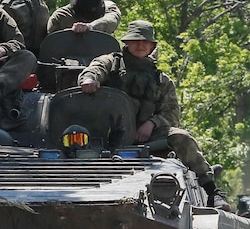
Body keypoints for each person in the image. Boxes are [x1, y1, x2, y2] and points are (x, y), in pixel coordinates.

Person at [77, 20, 230, 211]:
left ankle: (212, 191)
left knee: (181, 137)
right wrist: (90, 79)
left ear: (152, 46)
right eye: (135, 40)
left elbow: (172, 114)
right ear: (127, 43)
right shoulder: (111, 62)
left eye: (145, 42)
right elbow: (94, 69)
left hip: (145, 138)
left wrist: (152, 123)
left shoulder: (161, 80)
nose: (140, 45)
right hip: (105, 135)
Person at [47, 0, 122, 35]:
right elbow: (51, 42)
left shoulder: (110, 8)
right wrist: (68, 33)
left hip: (102, 54)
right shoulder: (60, 17)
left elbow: (112, 20)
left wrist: (90, 27)